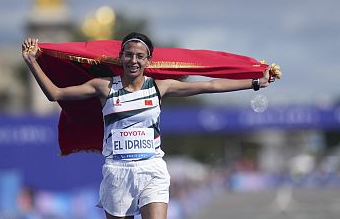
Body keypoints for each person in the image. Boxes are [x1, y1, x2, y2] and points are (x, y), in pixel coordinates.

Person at [22, 32, 275, 219]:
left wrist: (255, 82)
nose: (134, 60)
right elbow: (55, 94)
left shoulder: (159, 86)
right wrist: (32, 62)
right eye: (129, 55)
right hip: (117, 171)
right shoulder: (104, 86)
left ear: (148, 60)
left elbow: (211, 86)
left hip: (152, 168)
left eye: (140, 56)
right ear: (121, 57)